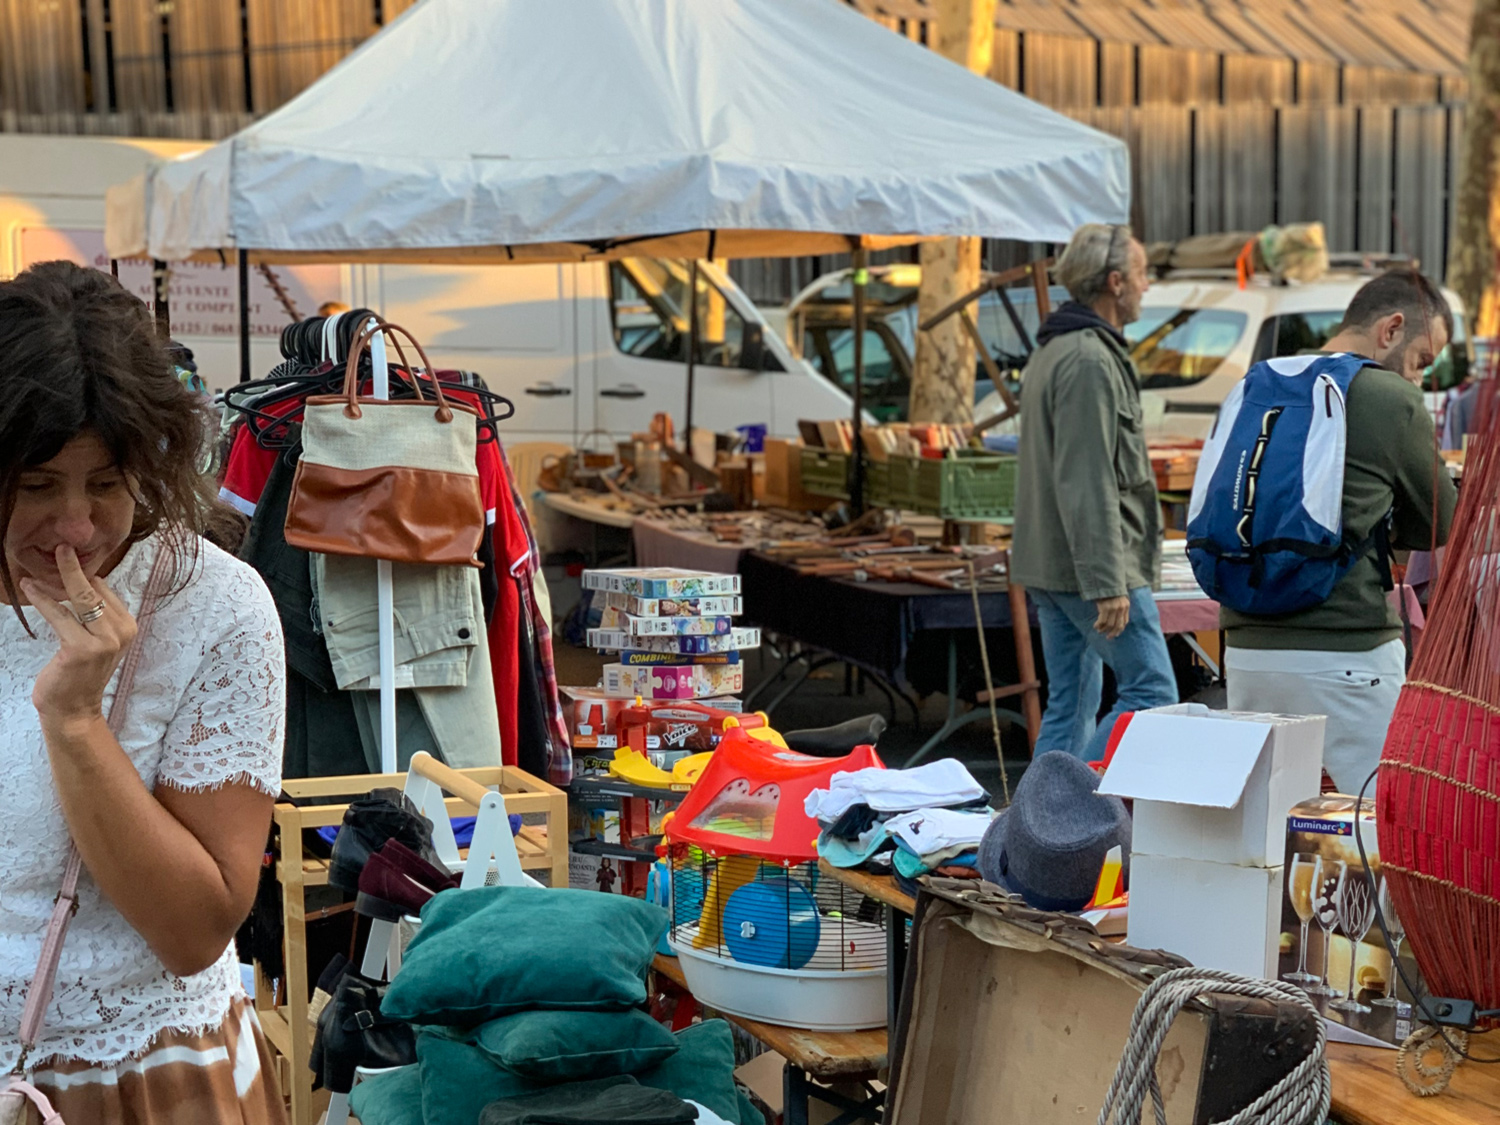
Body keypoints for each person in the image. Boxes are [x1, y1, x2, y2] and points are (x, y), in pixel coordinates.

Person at [0, 261, 287, 1122]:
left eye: (108, 482)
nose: (76, 525)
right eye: (37, 485)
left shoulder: (214, 607)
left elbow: (194, 929)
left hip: (138, 1077)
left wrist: (75, 717)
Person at [1220, 270, 1458, 792]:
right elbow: (1440, 521)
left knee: (1272, 820)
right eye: (1421, 360)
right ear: (1391, 329)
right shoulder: (1389, 396)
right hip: (1347, 649)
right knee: (1374, 819)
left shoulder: (1257, 383)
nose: (1418, 379)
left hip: (1246, 648)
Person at [1012, 224, 1177, 762]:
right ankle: (1079, 802)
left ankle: (1043, 812)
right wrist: (1108, 582)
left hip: (1054, 563)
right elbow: (1087, 478)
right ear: (1114, 281)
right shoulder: (1087, 358)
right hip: (1090, 569)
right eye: (1141, 273)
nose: (1147, 285)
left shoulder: (1057, 349)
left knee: (1071, 704)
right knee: (1151, 693)